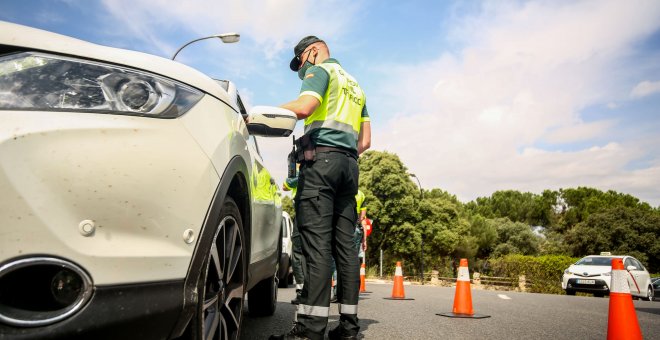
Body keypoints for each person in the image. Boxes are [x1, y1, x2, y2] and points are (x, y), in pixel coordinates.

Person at [270, 36, 371, 340]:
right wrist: (342, 153)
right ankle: (348, 329)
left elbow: (305, 106)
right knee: (346, 252)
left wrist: (266, 112)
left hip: (321, 165)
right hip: (349, 168)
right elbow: (365, 142)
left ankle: (309, 331)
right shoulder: (356, 86)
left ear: (312, 52)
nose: (302, 71)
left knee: (316, 248)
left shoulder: (320, 71)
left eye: (300, 63)